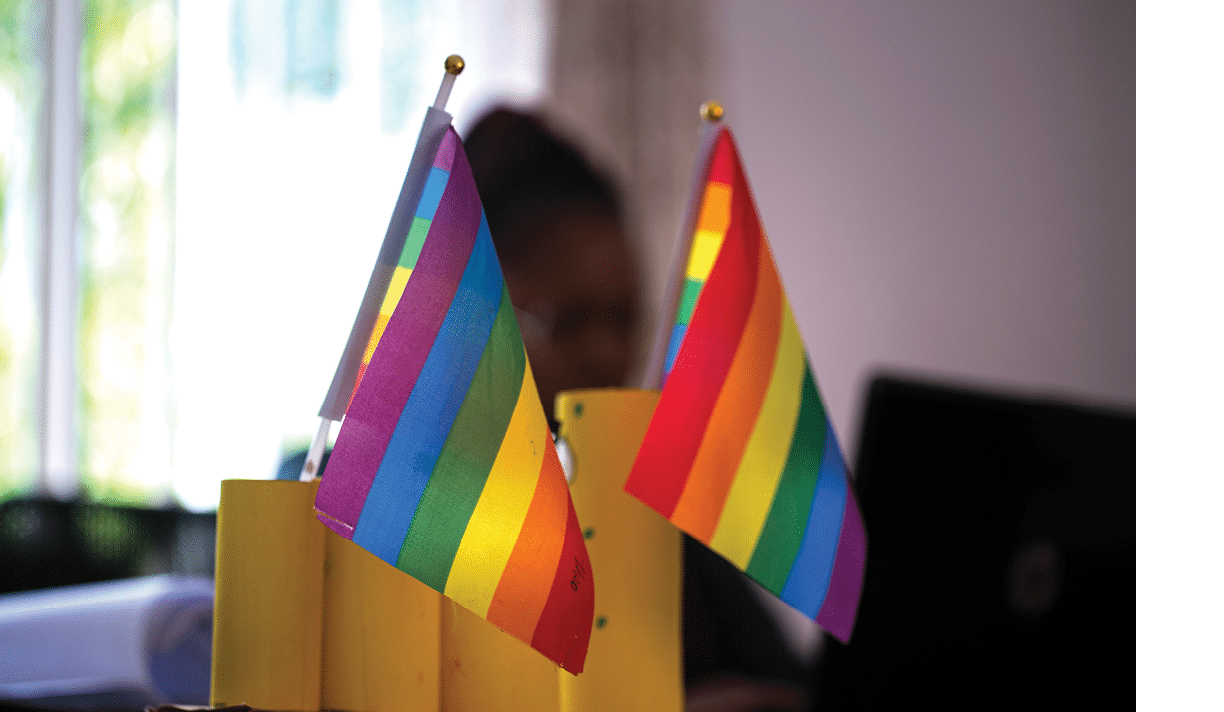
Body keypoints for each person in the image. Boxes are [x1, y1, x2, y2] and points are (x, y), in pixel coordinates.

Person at [463, 108, 813, 712]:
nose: (607, 355)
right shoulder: (394, 513)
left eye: (624, 321)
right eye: (568, 320)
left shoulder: (658, 506)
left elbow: (792, 687)